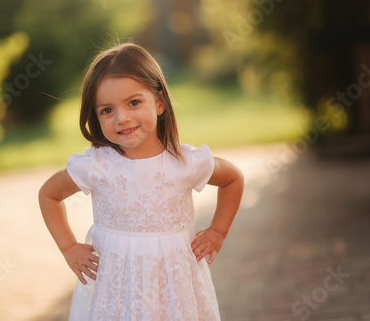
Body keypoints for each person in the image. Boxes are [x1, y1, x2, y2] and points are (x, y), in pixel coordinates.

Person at [39, 42, 244, 320]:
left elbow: (232, 179)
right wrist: (69, 247)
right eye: (106, 110)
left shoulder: (185, 161)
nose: (122, 118)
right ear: (95, 116)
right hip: (115, 293)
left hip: (175, 290)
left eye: (133, 103)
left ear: (159, 103)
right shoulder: (97, 165)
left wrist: (217, 232)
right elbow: (49, 195)